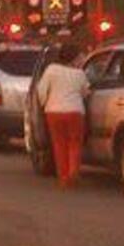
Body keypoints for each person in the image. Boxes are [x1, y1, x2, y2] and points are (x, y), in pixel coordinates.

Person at [37, 44, 88, 188]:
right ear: (74, 58)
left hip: (53, 111)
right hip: (75, 112)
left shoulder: (51, 70)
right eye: (79, 57)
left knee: (59, 144)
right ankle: (73, 174)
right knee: (74, 143)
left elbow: (41, 90)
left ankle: (63, 177)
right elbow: (85, 92)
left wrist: (44, 104)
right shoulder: (80, 74)